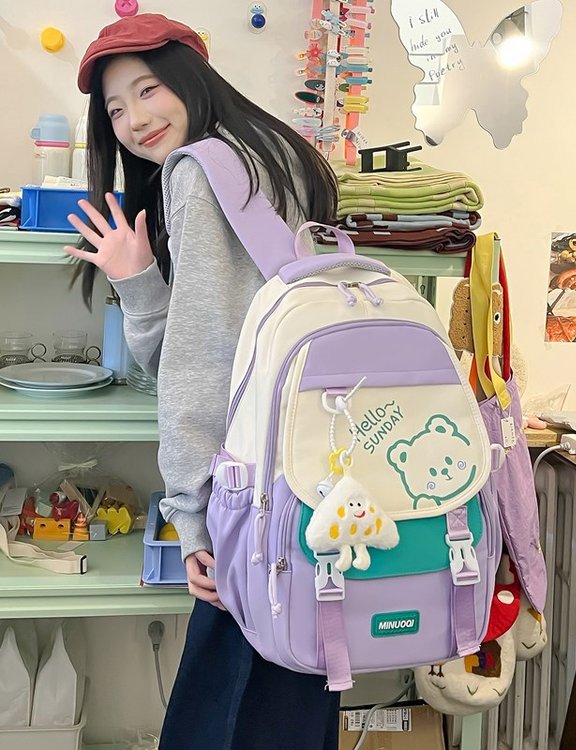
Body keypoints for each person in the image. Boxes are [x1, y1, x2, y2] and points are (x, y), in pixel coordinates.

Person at [64, 14, 341, 749]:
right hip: (321, 468)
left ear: (191, 78)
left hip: (254, 489)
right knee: (298, 689)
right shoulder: (285, 154)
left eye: (147, 89)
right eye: (115, 109)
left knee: (226, 713)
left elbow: (199, 363)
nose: (133, 120)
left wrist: (192, 518)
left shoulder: (198, 172)